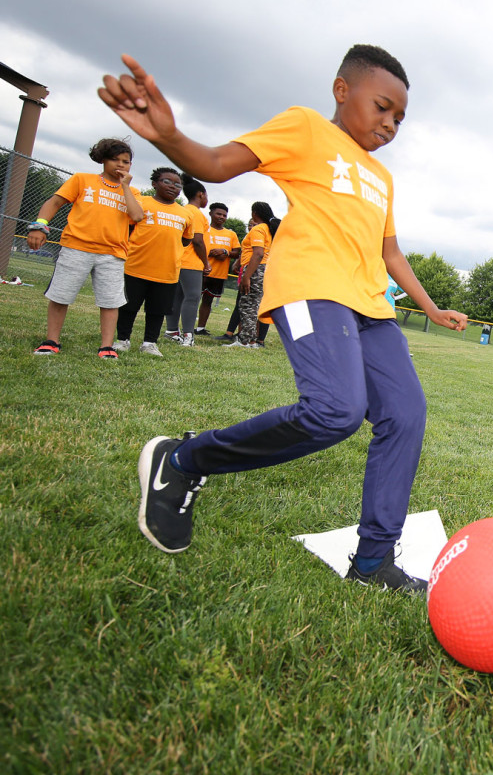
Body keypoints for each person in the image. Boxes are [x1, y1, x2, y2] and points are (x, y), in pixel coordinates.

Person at [99, 44, 468, 593]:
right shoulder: (306, 128)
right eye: (382, 107)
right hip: (313, 289)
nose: (390, 124)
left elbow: (390, 252)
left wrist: (431, 306)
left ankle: (372, 565)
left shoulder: (382, 178)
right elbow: (218, 165)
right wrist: (167, 138)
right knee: (337, 411)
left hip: (371, 307)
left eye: (400, 118)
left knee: (406, 414)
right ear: (343, 90)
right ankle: (182, 459)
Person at [27, 137, 144, 359]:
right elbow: (54, 202)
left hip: (112, 254)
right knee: (61, 296)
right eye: (115, 160)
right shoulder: (82, 179)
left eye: (126, 161)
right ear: (102, 160)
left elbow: (137, 216)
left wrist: (126, 187)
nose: (121, 165)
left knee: (110, 302)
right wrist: (39, 226)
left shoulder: (133, 192)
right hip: (76, 247)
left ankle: (106, 347)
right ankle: (51, 341)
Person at [113, 167, 194, 356]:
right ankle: (123, 339)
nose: (173, 187)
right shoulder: (141, 202)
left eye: (177, 184)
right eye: (167, 182)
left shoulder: (186, 214)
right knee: (128, 307)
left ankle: (149, 343)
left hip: (167, 272)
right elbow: (128, 227)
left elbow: (186, 239)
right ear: (154, 183)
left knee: (157, 311)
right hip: (136, 267)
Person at [163, 173, 211, 347]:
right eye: (206, 195)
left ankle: (171, 330)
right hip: (191, 262)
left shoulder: (182, 209)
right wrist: (206, 263)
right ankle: (188, 335)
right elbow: (197, 241)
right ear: (200, 194)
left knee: (177, 296)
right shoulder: (195, 213)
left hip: (178, 259)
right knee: (192, 297)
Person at [223, 202, 276, 348]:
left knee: (248, 305)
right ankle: (252, 340)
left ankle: (245, 341)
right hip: (265, 270)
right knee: (253, 305)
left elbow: (258, 254)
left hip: (256, 269)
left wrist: (247, 276)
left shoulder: (259, 229)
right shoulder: (269, 229)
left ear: (254, 213)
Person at [194, 202, 239, 336]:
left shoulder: (231, 234)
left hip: (218, 274)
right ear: (211, 214)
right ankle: (186, 327)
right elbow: (195, 246)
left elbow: (237, 252)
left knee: (208, 301)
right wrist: (210, 253)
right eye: (218, 214)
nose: (221, 217)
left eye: (224, 215)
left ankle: (201, 328)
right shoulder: (204, 229)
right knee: (192, 299)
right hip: (200, 270)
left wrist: (225, 252)